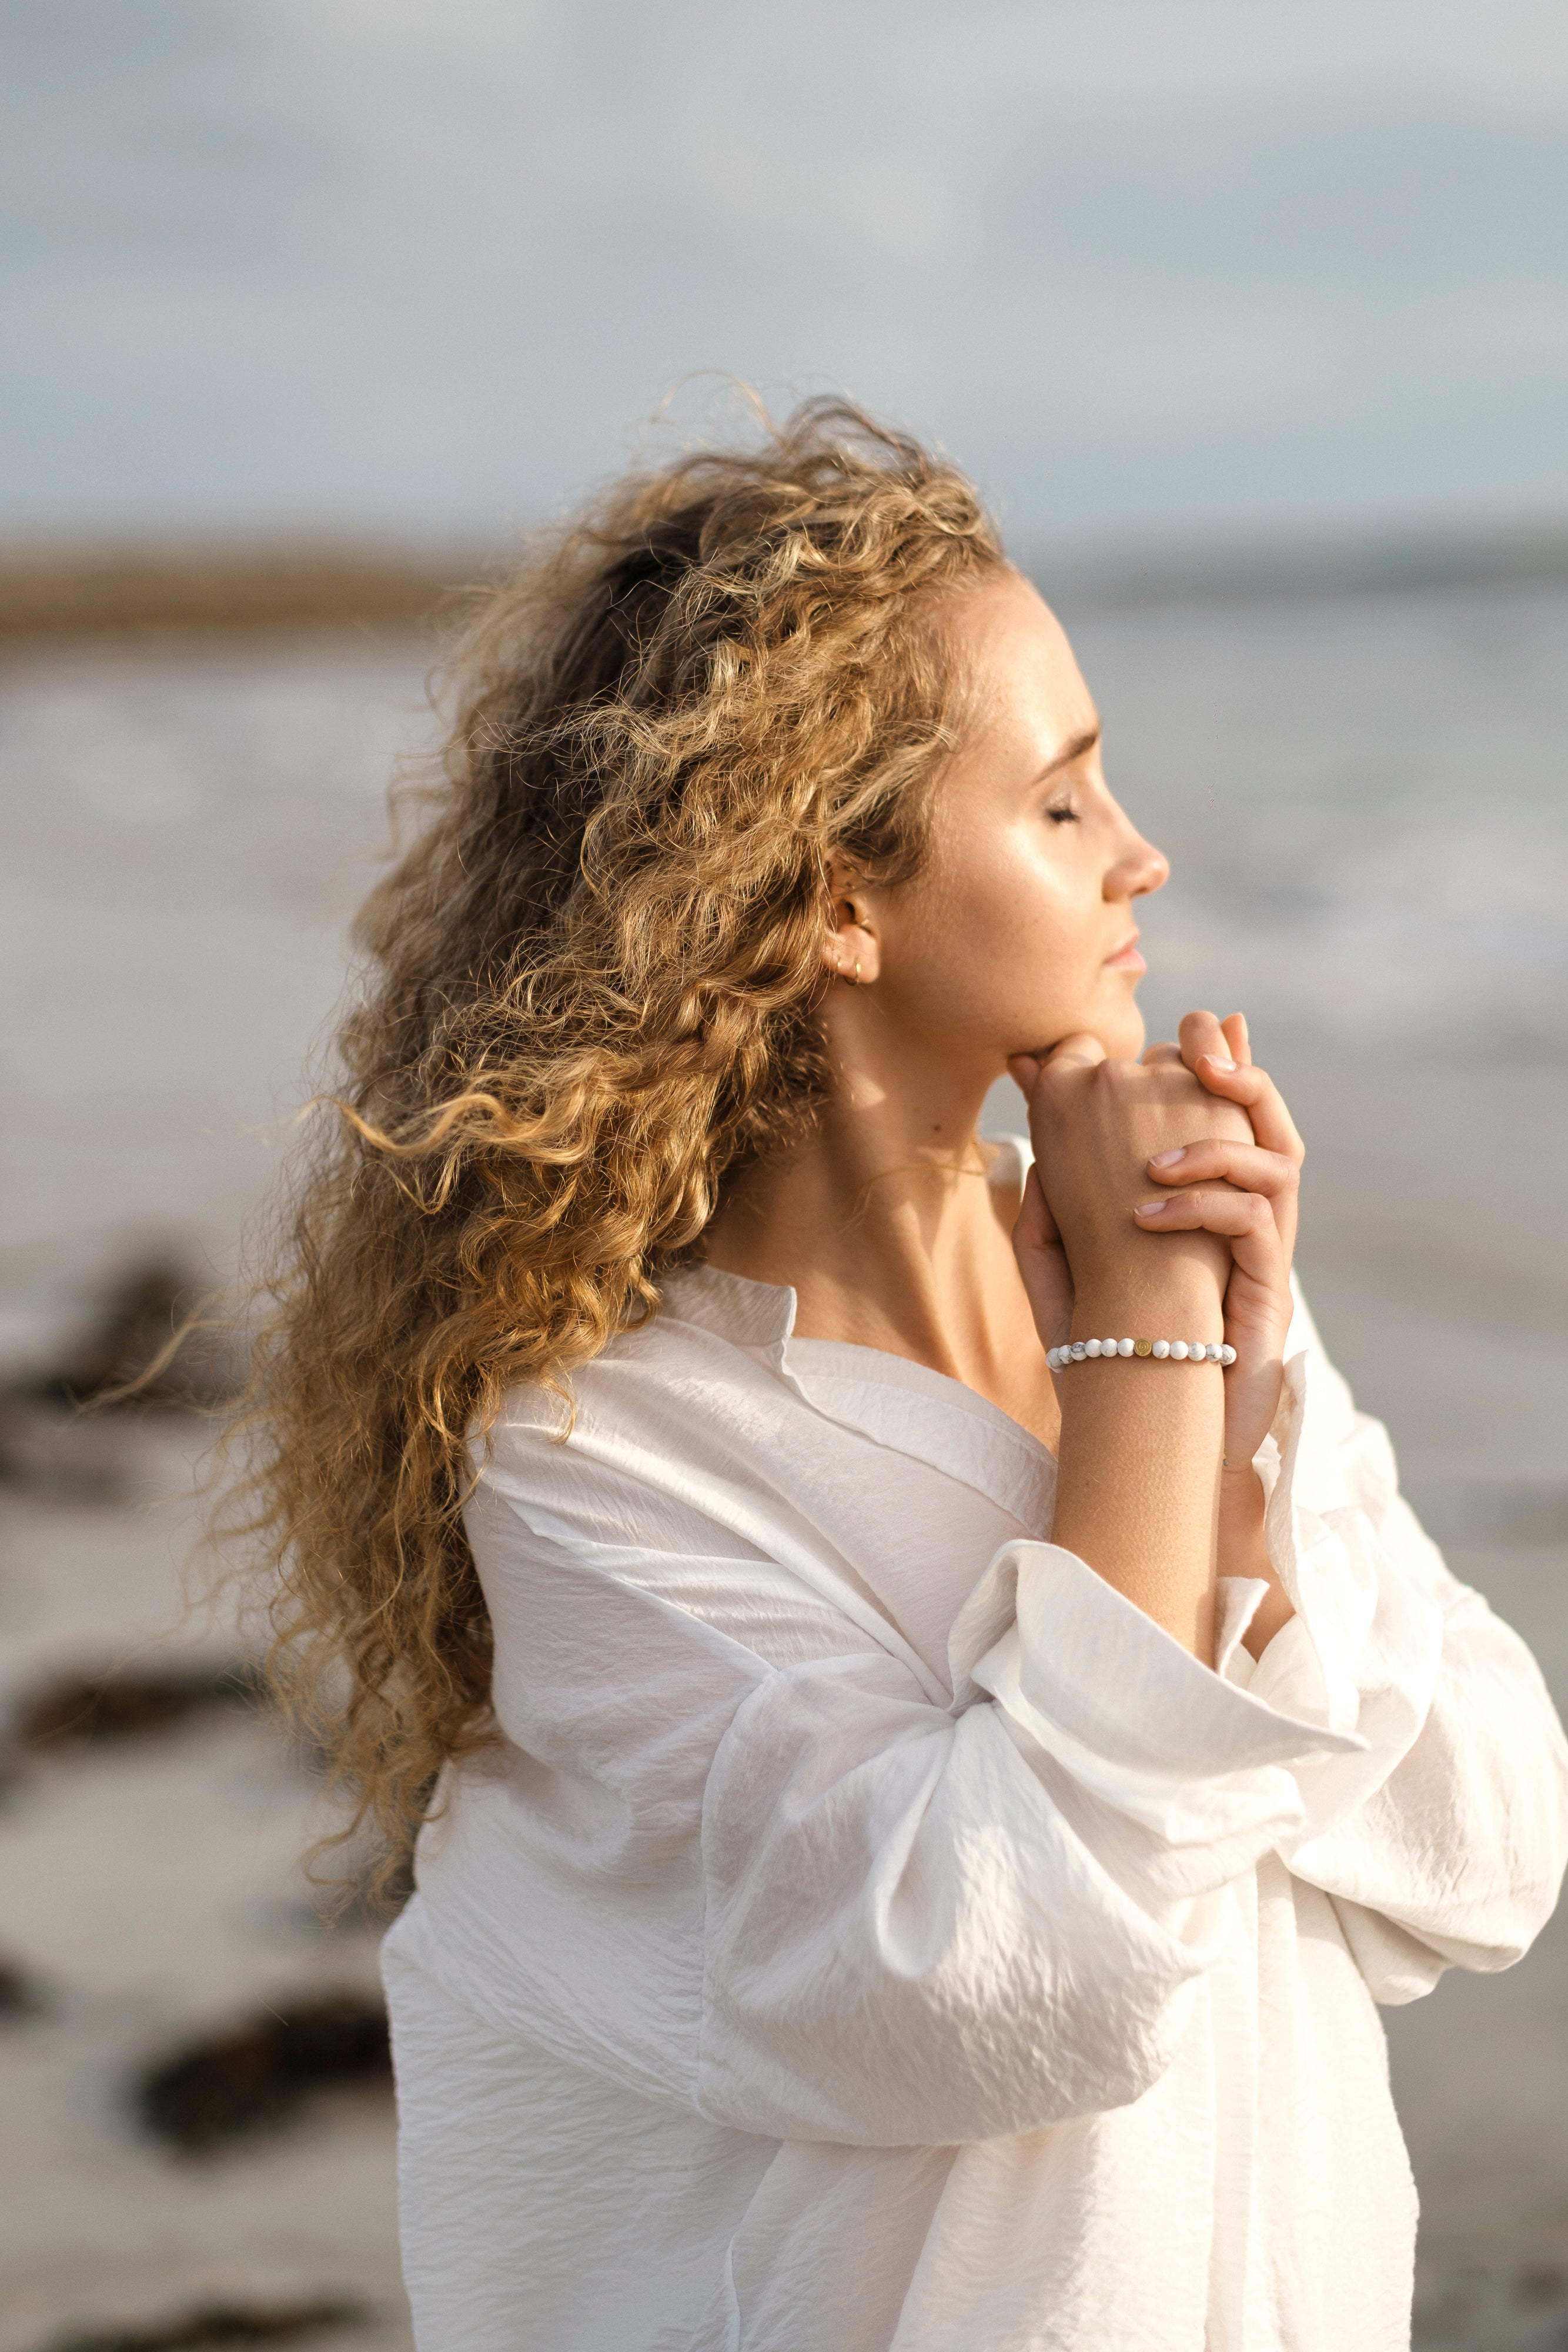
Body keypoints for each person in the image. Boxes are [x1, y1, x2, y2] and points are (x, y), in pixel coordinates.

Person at [240, 402, 1568, 2351]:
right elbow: (997, 1984)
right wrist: (1140, 1372)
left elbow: (1487, 1850)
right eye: (1059, 803)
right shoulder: (607, 1451)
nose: (1143, 855)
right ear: (832, 898)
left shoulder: (1177, 1296)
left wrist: (1236, 1371)